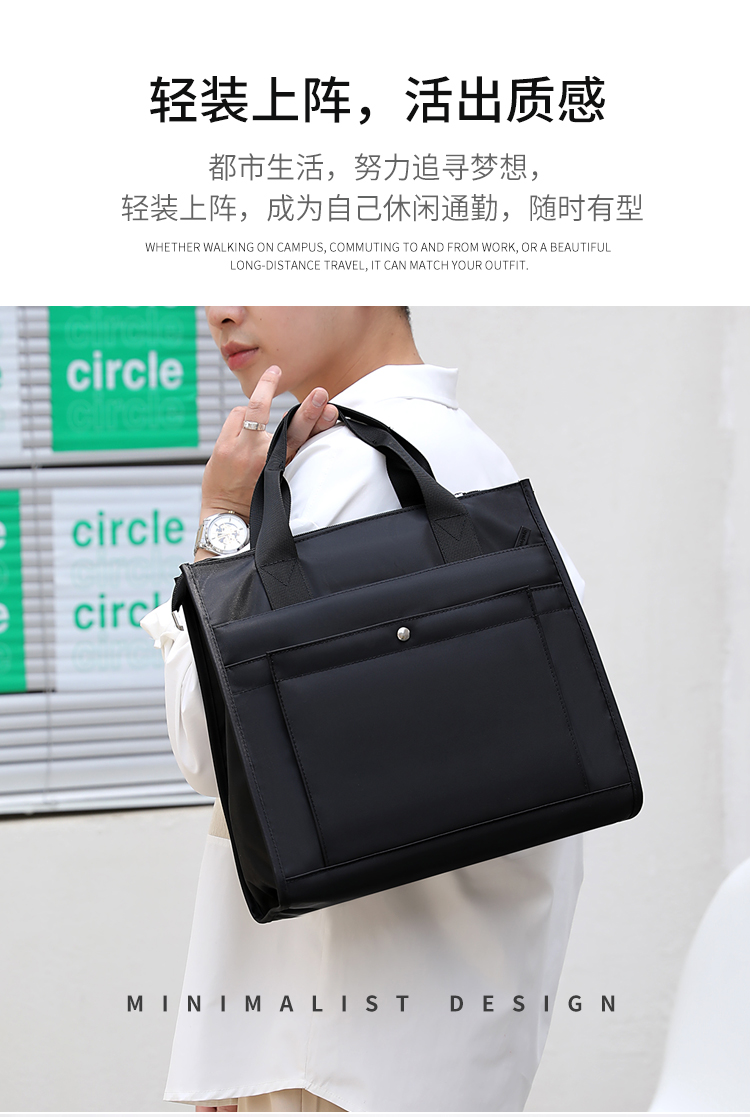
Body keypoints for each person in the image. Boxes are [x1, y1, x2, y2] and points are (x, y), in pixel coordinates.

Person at [141, 306, 585, 1113]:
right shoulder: (476, 460)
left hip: (326, 1063)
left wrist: (222, 520)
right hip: (439, 1054)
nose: (218, 310)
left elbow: (213, 750)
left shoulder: (342, 471)